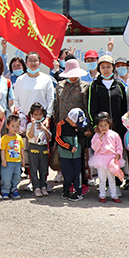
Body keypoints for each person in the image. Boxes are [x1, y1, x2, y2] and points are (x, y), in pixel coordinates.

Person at [86, 55, 129, 188]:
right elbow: (90, 107)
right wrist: (96, 125)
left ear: (113, 67)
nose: (106, 70)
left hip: (118, 128)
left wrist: (125, 125)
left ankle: (117, 184)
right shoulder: (94, 85)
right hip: (102, 129)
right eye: (103, 67)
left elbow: (124, 106)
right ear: (99, 68)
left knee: (116, 155)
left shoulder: (120, 85)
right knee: (103, 156)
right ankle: (104, 186)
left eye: (108, 66)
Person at [52, 58, 91, 192]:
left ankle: (81, 183)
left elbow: (87, 107)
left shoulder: (85, 86)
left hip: (79, 127)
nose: (73, 77)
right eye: (70, 74)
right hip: (63, 126)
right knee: (66, 156)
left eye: (75, 74)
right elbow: (56, 105)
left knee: (79, 156)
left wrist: (88, 128)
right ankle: (67, 184)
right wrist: (56, 123)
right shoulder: (60, 85)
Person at [89, 112, 124, 203]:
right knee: (102, 178)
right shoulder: (96, 135)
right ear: (98, 126)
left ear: (109, 124)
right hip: (101, 159)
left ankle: (114, 195)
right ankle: (102, 194)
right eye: (101, 125)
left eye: (105, 125)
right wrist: (99, 139)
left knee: (112, 178)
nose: (103, 127)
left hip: (112, 159)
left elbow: (119, 146)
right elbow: (95, 148)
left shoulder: (114, 134)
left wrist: (118, 153)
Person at [55, 107, 88, 201]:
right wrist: (69, 147)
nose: (77, 126)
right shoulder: (60, 125)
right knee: (67, 174)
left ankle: (78, 192)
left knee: (77, 174)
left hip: (77, 155)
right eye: (76, 124)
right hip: (65, 155)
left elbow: (77, 135)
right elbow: (58, 139)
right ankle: (66, 189)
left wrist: (84, 133)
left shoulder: (75, 127)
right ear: (70, 119)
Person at [26, 102, 51, 197]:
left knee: (43, 168)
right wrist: (33, 125)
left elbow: (49, 137)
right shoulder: (29, 125)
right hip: (33, 147)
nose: (38, 116)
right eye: (35, 114)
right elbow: (30, 135)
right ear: (31, 115)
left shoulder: (44, 124)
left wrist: (44, 128)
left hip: (43, 148)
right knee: (33, 168)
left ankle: (43, 186)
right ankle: (36, 187)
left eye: (40, 114)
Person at [0, 115, 25, 199]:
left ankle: (14, 189)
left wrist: (23, 159)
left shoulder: (19, 137)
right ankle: (5, 190)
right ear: (7, 126)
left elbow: (21, 149)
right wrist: (3, 159)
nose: (15, 128)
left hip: (17, 161)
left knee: (17, 176)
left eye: (17, 126)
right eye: (13, 126)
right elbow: (3, 150)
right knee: (6, 177)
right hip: (8, 161)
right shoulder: (4, 138)